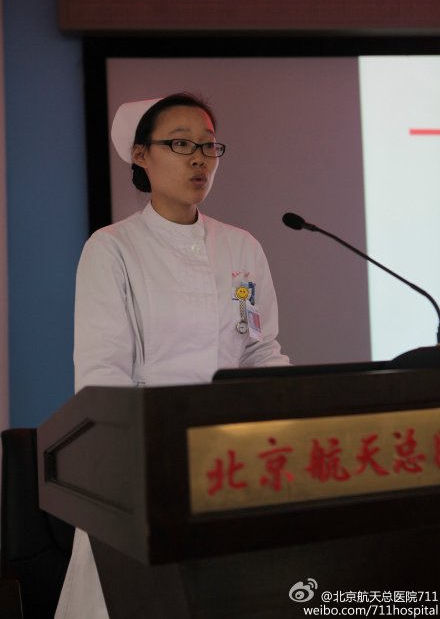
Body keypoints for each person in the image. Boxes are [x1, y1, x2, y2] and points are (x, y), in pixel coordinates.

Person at [55, 92, 290, 618]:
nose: (199, 159)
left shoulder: (242, 247)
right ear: (141, 155)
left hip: (230, 461)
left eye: (208, 146)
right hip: (144, 465)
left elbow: (259, 349)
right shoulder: (112, 248)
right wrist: (140, 459)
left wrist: (293, 410)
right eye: (181, 144)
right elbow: (101, 375)